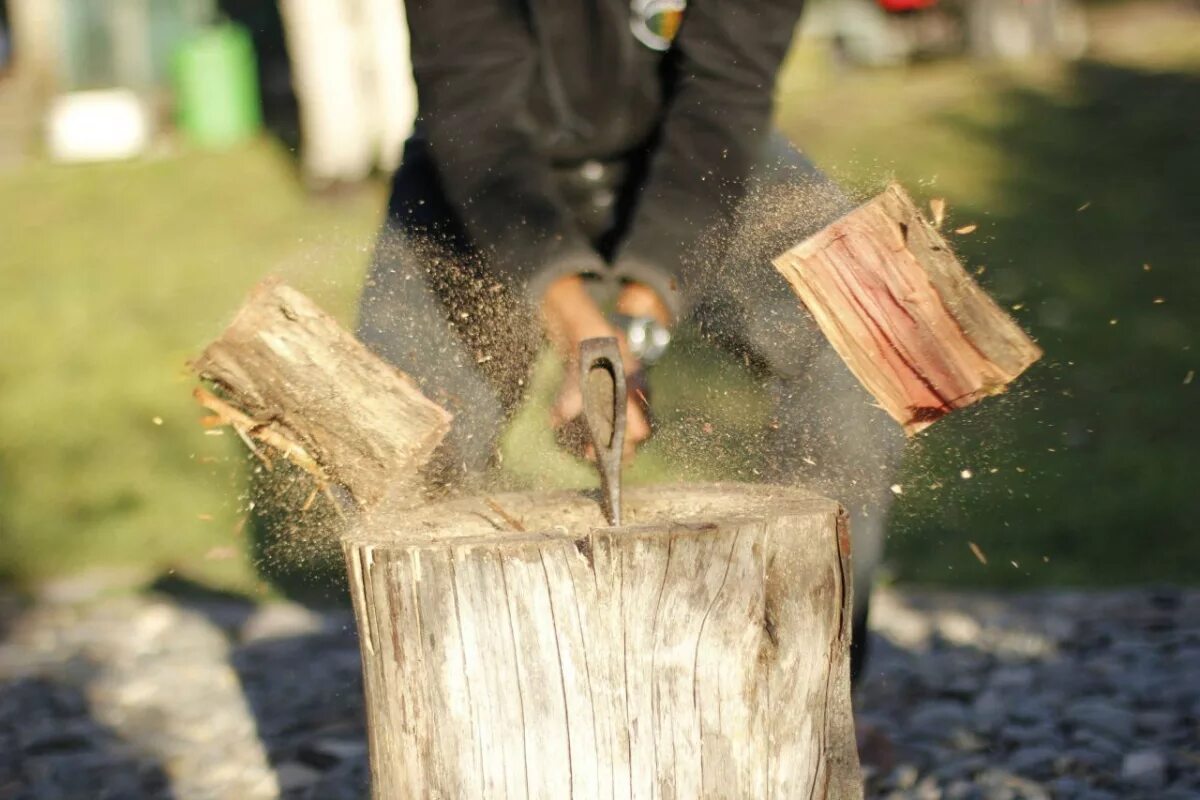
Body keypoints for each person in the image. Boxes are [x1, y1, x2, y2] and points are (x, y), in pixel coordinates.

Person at [357, 0, 905, 679]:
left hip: (693, 153)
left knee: (864, 336)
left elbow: (725, 98)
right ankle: (452, 706)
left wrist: (639, 328)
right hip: (490, 162)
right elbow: (473, 111)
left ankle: (810, 692)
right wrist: (583, 335)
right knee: (394, 431)